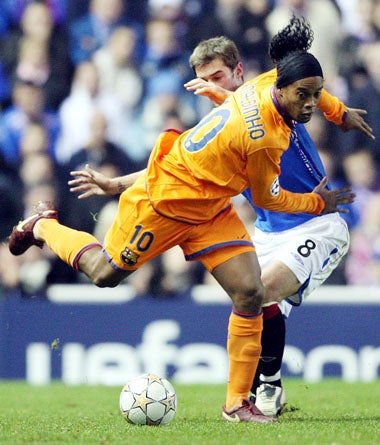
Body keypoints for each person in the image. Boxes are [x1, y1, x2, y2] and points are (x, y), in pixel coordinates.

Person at [9, 24, 356, 423]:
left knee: (249, 292)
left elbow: (308, 90)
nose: (209, 87)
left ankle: (237, 404)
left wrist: (338, 111)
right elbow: (262, 195)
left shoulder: (261, 93)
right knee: (104, 274)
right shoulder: (260, 131)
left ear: (243, 73)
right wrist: (320, 201)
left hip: (210, 210)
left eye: (218, 78)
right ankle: (42, 226)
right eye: (202, 80)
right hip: (164, 206)